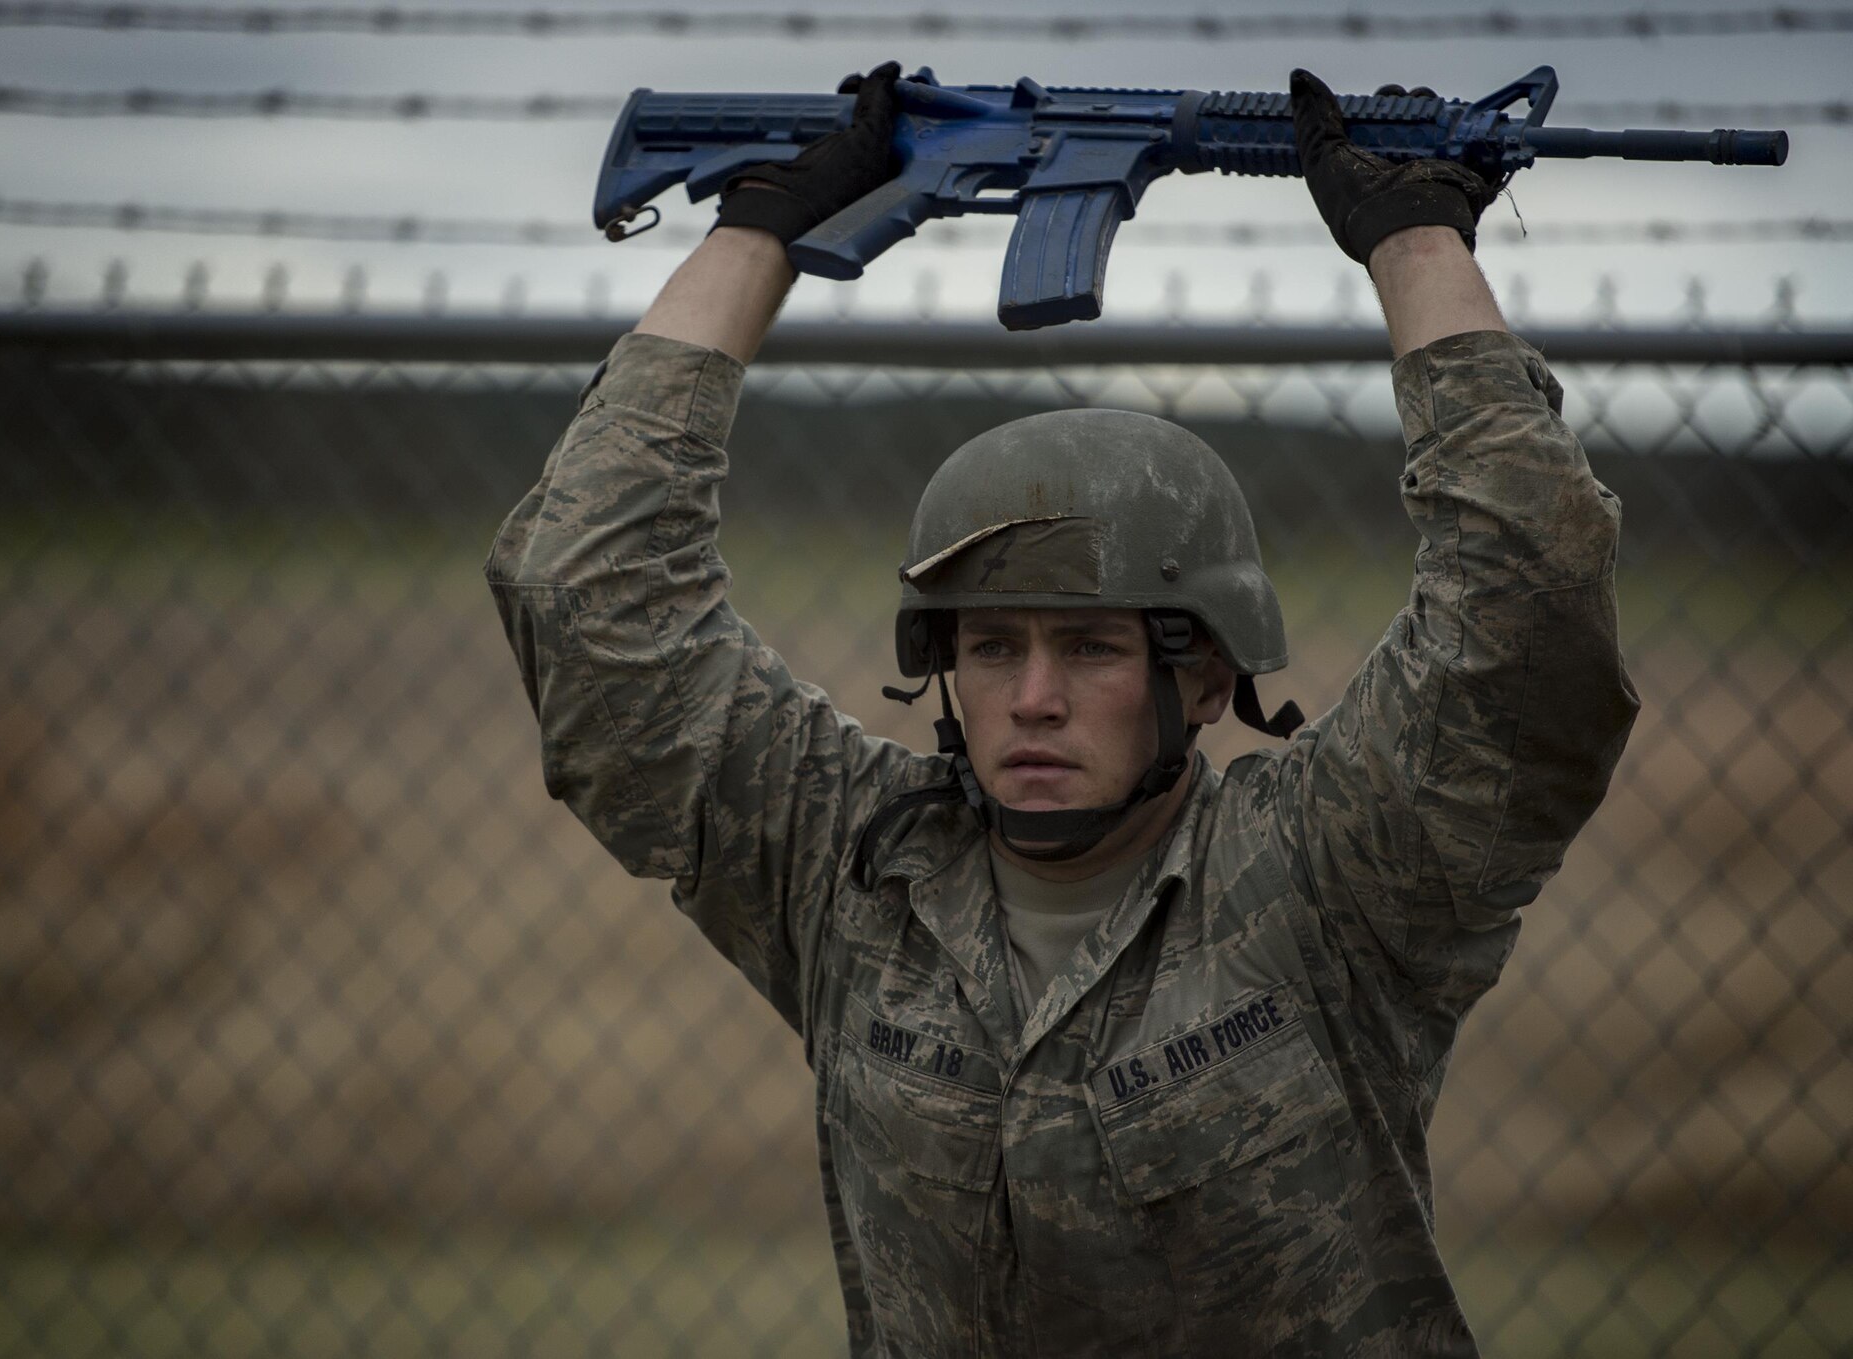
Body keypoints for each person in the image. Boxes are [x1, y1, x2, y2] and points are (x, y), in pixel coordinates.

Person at [486, 64, 1639, 1358]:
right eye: (990, 647)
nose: (1031, 699)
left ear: (1206, 679)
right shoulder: (856, 873)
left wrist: (1418, 243)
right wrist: (762, 225)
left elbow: (1527, 616)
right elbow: (594, 605)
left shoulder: (1337, 871)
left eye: (1091, 648)